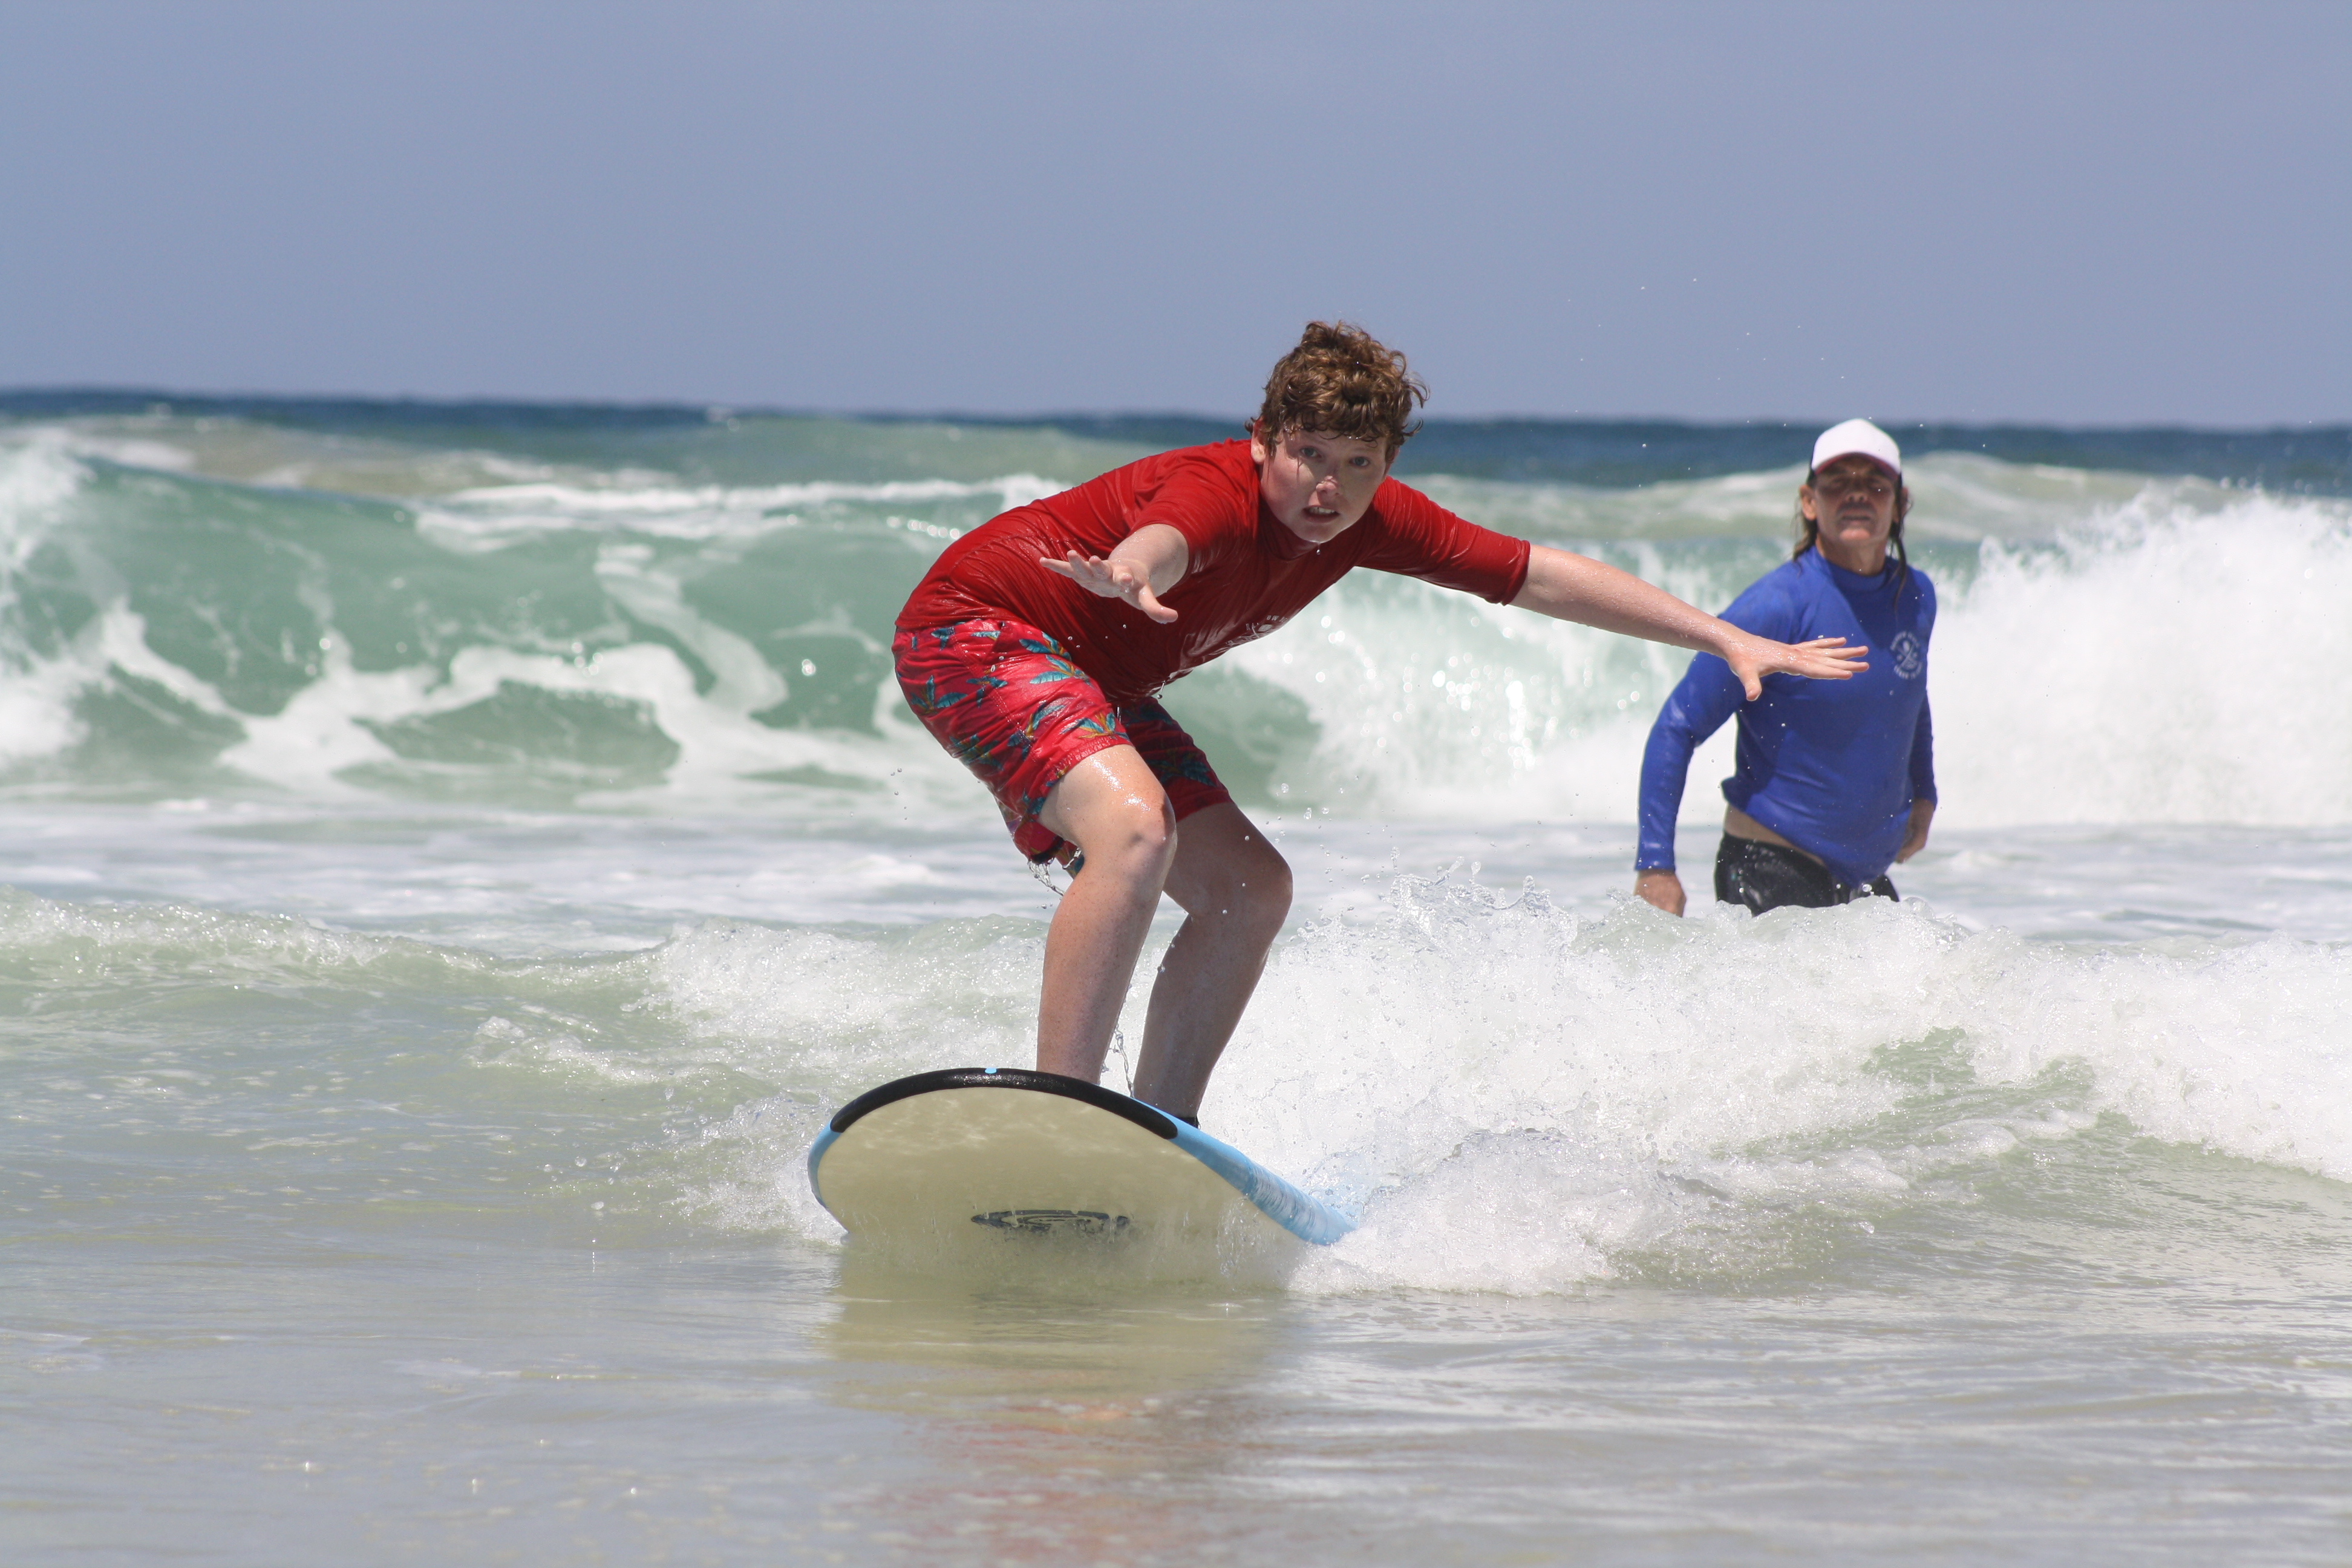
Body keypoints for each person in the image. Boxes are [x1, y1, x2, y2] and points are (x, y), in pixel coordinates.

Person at [895, 323, 1866, 1121]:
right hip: (976, 632)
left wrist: (1725, 638)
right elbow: (1171, 535)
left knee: (1250, 891)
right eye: (1307, 456)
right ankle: (1060, 1115)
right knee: (1137, 828)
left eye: (1356, 463)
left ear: (1387, 462)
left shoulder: (1373, 520)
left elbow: (1544, 577)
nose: (1327, 487)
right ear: (1262, 442)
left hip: (1094, 676)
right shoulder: (1216, 493)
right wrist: (1135, 568)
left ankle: (1157, 1134)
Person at [1632, 418, 1936, 918]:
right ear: (1810, 501)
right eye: (1839, 483)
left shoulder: (1917, 596)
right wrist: (1656, 867)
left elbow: (1909, 693)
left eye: (1874, 484)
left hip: (1864, 876)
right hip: (1770, 868)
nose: (1857, 495)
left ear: (1900, 504)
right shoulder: (1774, 608)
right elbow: (1677, 727)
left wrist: (1924, 794)